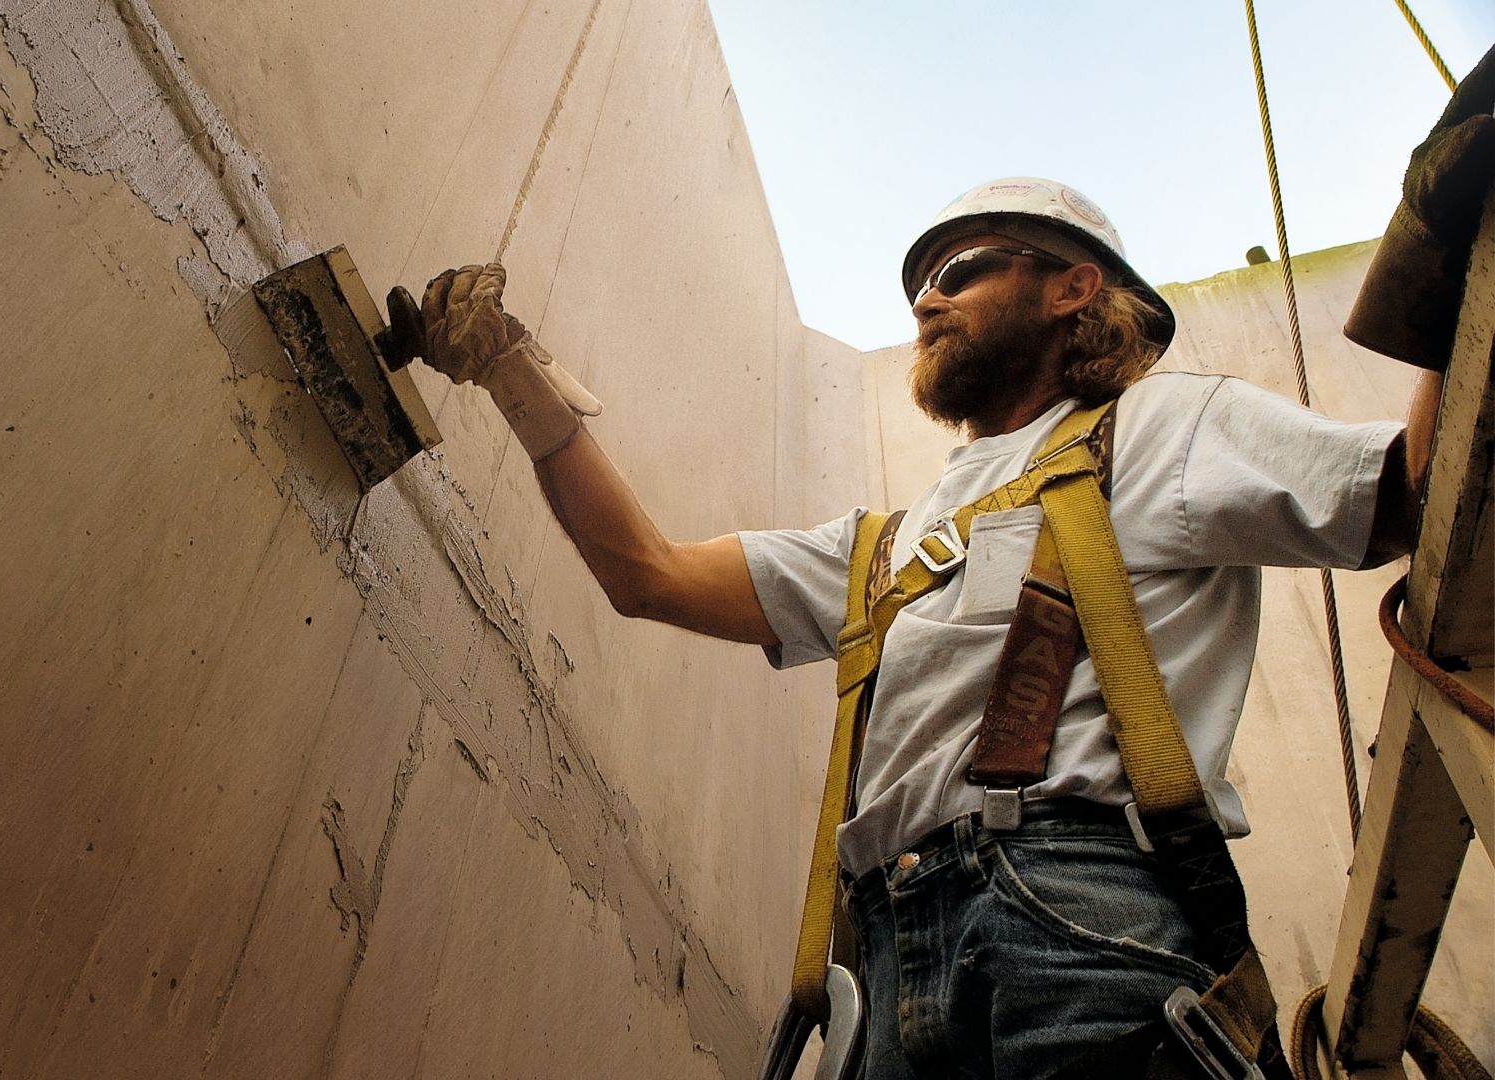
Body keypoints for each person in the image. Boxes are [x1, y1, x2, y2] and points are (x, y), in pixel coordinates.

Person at [414, 176, 1442, 1078]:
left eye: (962, 270)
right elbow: (649, 576)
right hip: (887, 955)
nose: (925, 299)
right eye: (925, 283)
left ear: (1072, 287)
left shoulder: (1165, 429)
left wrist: (1454, 251)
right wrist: (513, 375)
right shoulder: (884, 550)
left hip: (1078, 912)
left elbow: (1407, 495)